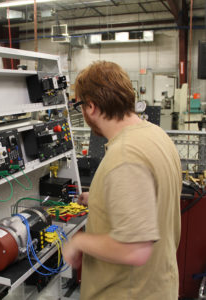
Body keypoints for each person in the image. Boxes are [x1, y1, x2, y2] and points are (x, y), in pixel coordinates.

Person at [63, 61, 182, 300]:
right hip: (157, 285)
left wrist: (79, 243)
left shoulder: (125, 156)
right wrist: (96, 199)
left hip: (128, 292)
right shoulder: (155, 134)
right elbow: (150, 199)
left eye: (81, 106)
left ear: (92, 107)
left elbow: (134, 250)